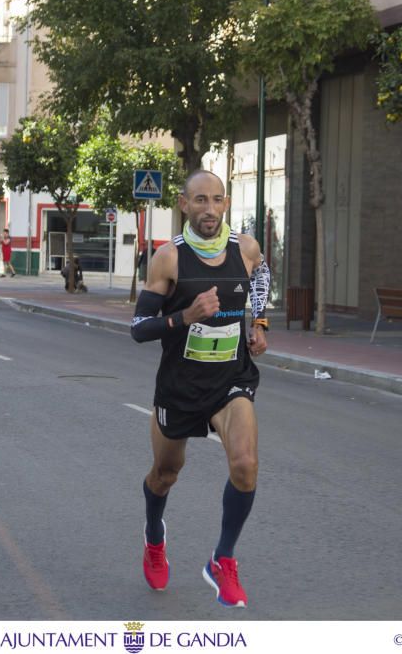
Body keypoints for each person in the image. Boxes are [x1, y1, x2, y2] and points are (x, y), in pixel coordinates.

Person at [130, 170, 270, 609]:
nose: (209, 209)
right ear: (183, 204)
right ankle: (155, 536)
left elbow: (262, 275)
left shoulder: (244, 248)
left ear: (226, 204)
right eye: (200, 201)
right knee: (165, 474)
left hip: (231, 379)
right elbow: (138, 328)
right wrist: (184, 317)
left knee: (245, 465)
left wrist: (260, 321)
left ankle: (222, 559)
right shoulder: (168, 259)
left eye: (216, 200)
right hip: (180, 386)